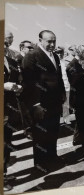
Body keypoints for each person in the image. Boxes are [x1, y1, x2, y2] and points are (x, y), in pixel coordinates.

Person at [22, 30, 66, 172]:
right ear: (40, 40)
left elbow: (58, 77)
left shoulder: (55, 56)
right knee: (41, 134)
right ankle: (40, 164)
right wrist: (36, 104)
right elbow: (29, 82)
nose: (52, 44)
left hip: (55, 102)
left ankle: (52, 157)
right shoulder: (32, 56)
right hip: (40, 103)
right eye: (49, 41)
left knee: (53, 131)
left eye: (54, 41)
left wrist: (63, 94)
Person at [3, 41, 22, 191]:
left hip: (9, 109)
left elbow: (16, 79)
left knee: (6, 143)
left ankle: (4, 173)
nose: (4, 46)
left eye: (5, 43)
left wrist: (18, 87)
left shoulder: (9, 60)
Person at [54, 46, 71, 124]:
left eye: (61, 52)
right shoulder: (54, 62)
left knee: (66, 103)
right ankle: (56, 120)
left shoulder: (65, 62)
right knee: (56, 103)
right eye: (58, 53)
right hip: (56, 86)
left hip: (66, 85)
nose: (59, 54)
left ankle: (66, 118)